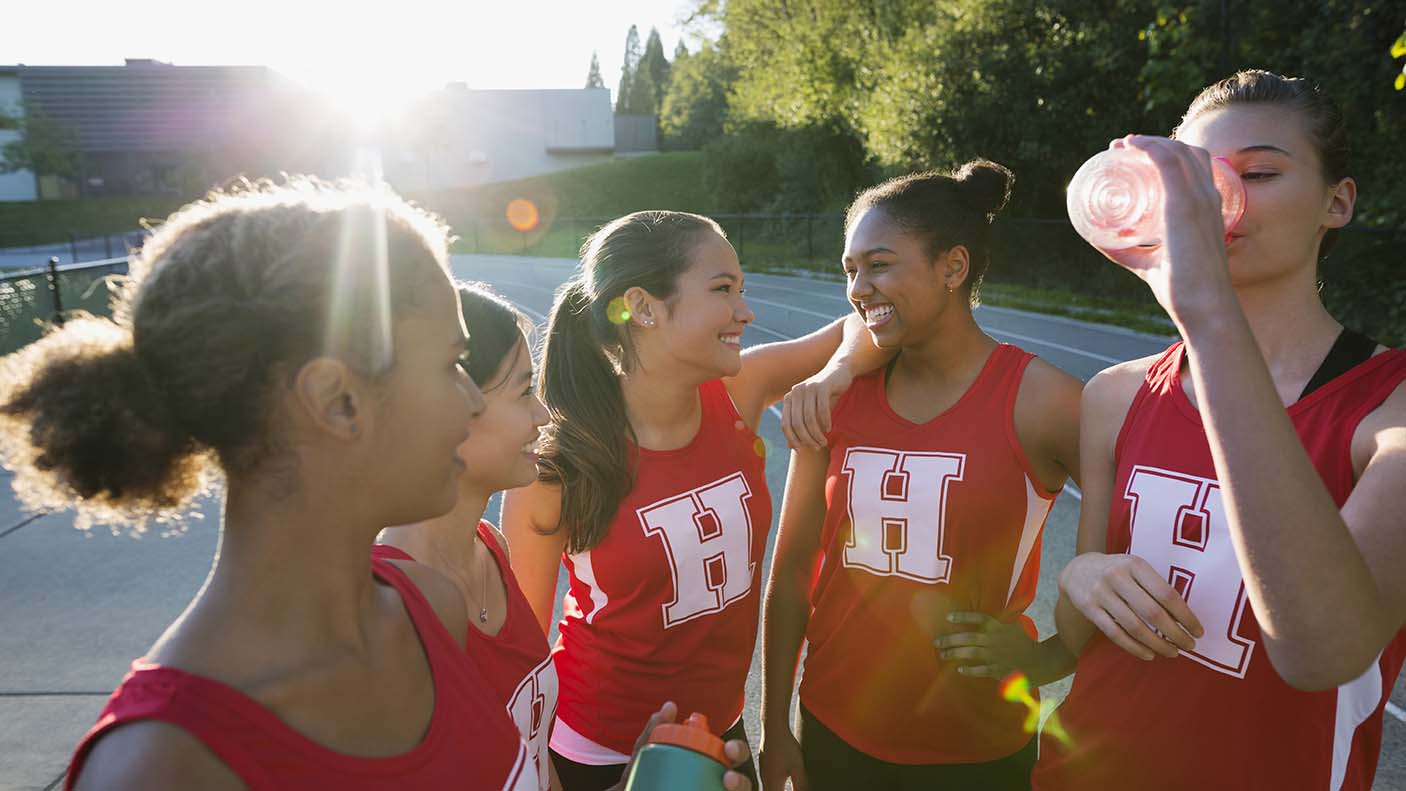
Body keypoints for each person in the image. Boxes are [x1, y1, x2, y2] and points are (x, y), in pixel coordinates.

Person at [0, 178, 539, 789]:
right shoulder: (163, 767)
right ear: (337, 402)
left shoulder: (431, 608)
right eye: (451, 365)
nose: (471, 403)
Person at [1033, 70, 1406, 791]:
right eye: (1199, 176)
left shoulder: (1387, 408)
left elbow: (1323, 651)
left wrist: (1206, 311)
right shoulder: (1116, 392)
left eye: (1259, 172)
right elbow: (1079, 635)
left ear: (1339, 201)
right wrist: (1084, 573)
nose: (1217, 200)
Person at [502, 210, 889, 790]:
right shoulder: (557, 462)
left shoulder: (739, 390)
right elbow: (520, 647)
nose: (745, 310)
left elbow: (860, 328)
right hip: (598, 752)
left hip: (719, 733)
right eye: (722, 289)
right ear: (644, 307)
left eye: (742, 289)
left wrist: (834, 373)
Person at [758, 161, 1082, 791]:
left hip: (977, 747)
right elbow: (794, 566)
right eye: (850, 270)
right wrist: (775, 727)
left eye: (878, 265)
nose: (859, 287)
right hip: (834, 725)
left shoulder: (1043, 400)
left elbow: (1138, 526)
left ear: (952, 268)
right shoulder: (838, 394)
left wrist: (1052, 656)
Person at [375, 283, 560, 789]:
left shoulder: (490, 545)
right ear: (450, 408)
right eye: (525, 391)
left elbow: (534, 758)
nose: (543, 414)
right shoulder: (395, 611)